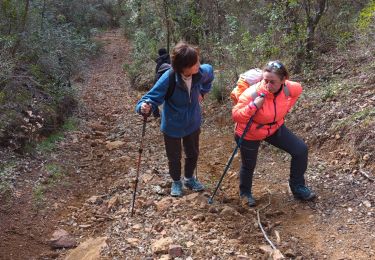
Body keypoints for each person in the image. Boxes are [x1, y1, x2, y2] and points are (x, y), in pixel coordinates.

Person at [136, 41, 214, 197]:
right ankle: (176, 181)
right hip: (172, 125)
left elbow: (210, 73)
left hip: (192, 122)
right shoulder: (169, 78)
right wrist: (144, 107)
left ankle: (189, 178)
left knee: (193, 153)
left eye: (198, 60)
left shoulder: (200, 72)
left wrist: (203, 92)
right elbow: (150, 98)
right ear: (184, 67)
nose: (199, 64)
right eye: (195, 62)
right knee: (174, 157)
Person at [232, 60, 316, 207]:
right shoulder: (252, 93)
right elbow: (236, 115)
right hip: (250, 132)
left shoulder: (289, 88)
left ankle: (297, 187)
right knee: (249, 164)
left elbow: (299, 90)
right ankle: (245, 193)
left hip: (275, 127)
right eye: (266, 80)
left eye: (273, 82)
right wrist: (253, 106)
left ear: (284, 80)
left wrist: (286, 108)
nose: (268, 85)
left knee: (300, 150)